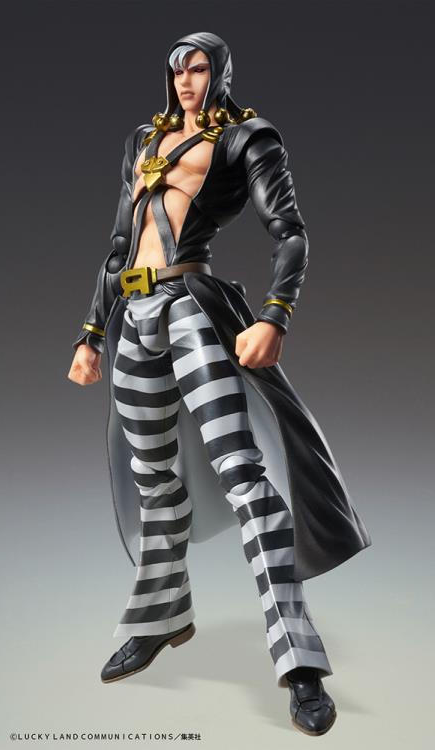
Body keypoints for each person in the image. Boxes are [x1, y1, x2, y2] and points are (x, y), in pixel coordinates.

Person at [68, 31, 371, 737]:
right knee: (154, 481)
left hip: (190, 310)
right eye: (177, 69)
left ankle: (298, 662)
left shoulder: (246, 138)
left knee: (246, 478)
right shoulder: (144, 140)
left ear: (220, 72)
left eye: (199, 67)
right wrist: (90, 333)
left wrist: (274, 315)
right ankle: (160, 617)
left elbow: (289, 232)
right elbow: (118, 247)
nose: (186, 80)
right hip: (133, 317)